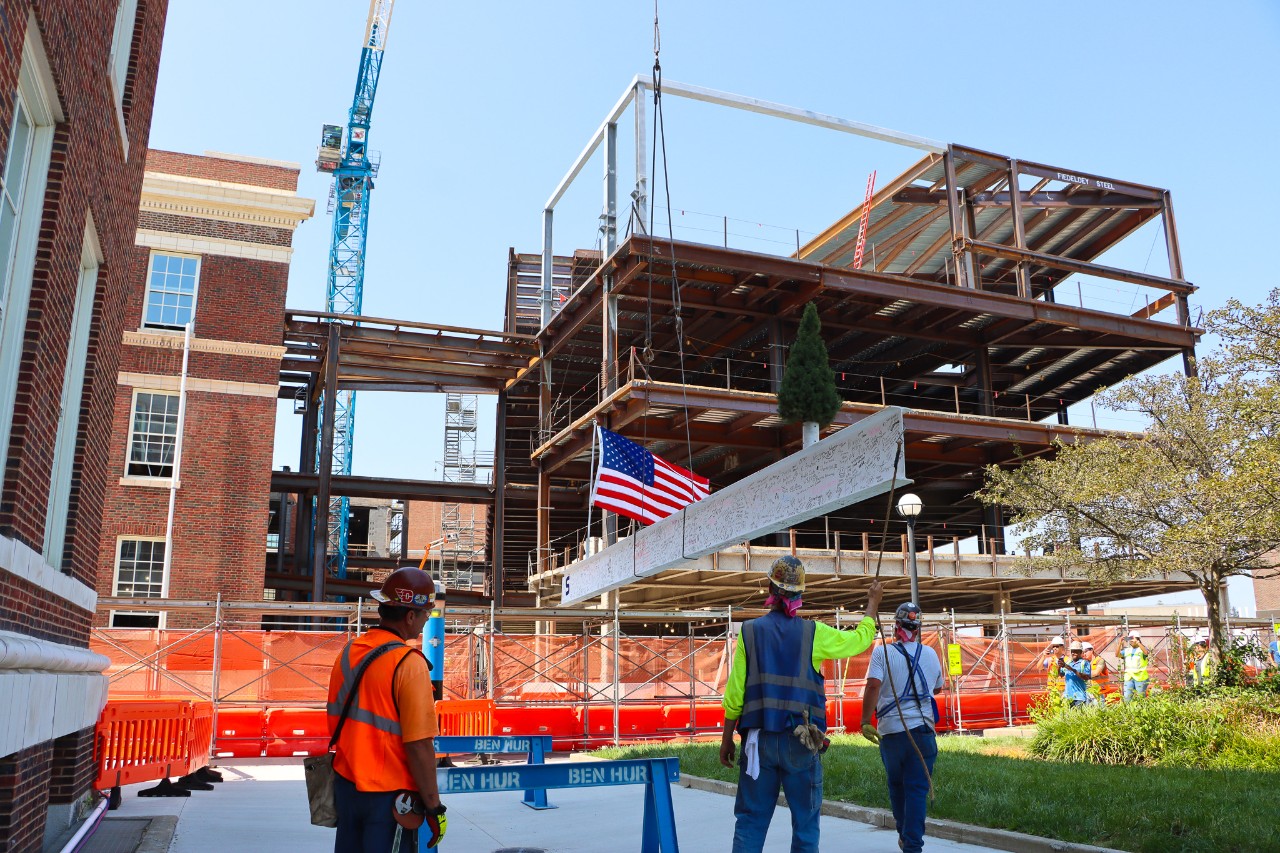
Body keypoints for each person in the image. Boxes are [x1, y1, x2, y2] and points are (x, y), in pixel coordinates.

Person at [719, 557, 883, 853]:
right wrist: (872, 604)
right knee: (806, 825)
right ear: (800, 593)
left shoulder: (749, 632)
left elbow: (735, 694)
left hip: (759, 742)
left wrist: (726, 738)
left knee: (750, 822)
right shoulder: (814, 633)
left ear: (769, 587)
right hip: (801, 740)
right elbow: (859, 641)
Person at [327, 567, 447, 852]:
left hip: (346, 786)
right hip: (389, 799)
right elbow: (419, 744)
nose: (426, 621)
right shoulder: (409, 663)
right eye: (426, 614)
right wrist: (434, 807)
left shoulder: (349, 652)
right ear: (410, 616)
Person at [860, 602, 944, 853]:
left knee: (897, 785)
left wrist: (865, 721)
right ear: (917, 628)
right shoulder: (930, 654)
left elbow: (873, 685)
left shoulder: (882, 653)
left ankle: (904, 834)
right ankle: (912, 845)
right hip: (923, 732)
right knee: (917, 790)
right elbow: (938, 687)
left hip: (893, 733)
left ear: (896, 626)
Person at [1058, 641, 1092, 708]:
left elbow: (1086, 677)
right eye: (1072, 651)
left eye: (1076, 651)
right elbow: (1061, 674)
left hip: (1079, 698)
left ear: (1080, 652)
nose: (1073, 653)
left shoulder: (1084, 663)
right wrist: (1059, 666)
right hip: (1068, 697)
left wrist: (1072, 669)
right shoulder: (1068, 663)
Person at [1118, 632, 1150, 702]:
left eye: (1132, 639)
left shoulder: (1142, 649)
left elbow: (1146, 652)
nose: (1131, 641)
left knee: (1140, 698)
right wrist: (1120, 643)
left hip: (1140, 678)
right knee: (1127, 698)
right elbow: (1117, 655)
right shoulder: (1127, 650)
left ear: (1138, 639)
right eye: (1130, 639)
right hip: (1129, 677)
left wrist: (1138, 642)